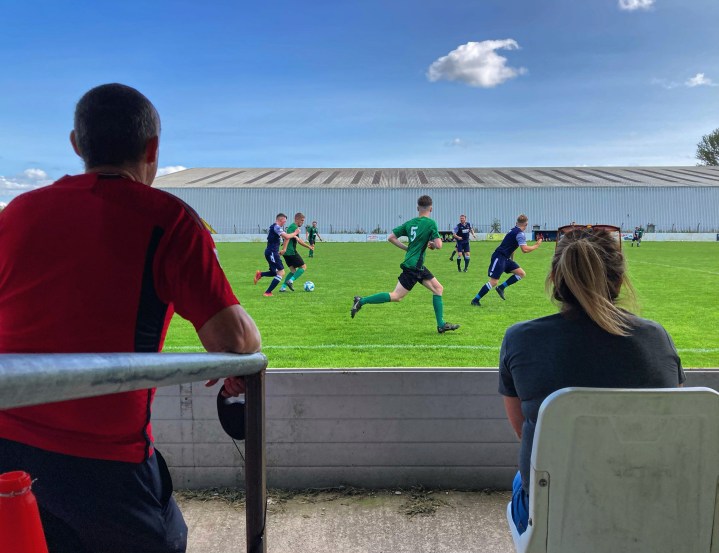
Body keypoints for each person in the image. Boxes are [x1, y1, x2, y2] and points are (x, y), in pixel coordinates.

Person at [0, 83, 262, 553]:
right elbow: (238, 340)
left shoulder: (16, 213)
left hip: (6, 449)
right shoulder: (169, 218)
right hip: (105, 463)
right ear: (153, 148)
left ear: (77, 145)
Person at [499, 228, 684, 536]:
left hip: (555, 520)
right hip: (649, 513)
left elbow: (525, 431)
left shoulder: (520, 340)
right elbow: (671, 426)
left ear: (556, 281)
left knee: (523, 479)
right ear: (619, 280)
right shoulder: (656, 337)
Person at [351, 195, 460, 334]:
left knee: (438, 288)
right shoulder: (430, 223)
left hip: (417, 266)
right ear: (431, 208)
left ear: (417, 208)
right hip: (413, 268)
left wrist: (407, 248)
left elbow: (391, 237)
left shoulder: (410, 223)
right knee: (397, 296)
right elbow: (439, 245)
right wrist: (433, 243)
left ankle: (441, 325)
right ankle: (361, 301)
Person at [471, 214, 542, 306]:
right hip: (499, 257)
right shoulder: (520, 234)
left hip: (505, 258)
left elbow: (511, 246)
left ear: (516, 223)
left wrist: (512, 260)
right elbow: (524, 250)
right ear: (526, 224)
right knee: (493, 282)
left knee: (521, 274)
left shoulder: (513, 230)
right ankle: (475, 300)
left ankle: (501, 288)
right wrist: (536, 245)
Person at [254, 213, 299, 296]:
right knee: (281, 272)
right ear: (280, 220)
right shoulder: (276, 227)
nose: (284, 223)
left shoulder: (275, 227)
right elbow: (287, 236)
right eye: (284, 221)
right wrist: (295, 233)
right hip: (272, 252)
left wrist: (283, 249)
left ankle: (260, 274)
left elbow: (286, 237)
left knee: (274, 272)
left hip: (271, 252)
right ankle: (268, 292)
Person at [279, 212, 313, 292]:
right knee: (303, 267)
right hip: (291, 251)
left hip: (286, 253)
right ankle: (290, 281)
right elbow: (298, 241)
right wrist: (308, 246)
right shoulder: (294, 227)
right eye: (302, 220)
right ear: (296, 219)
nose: (302, 222)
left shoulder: (291, 227)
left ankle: (283, 288)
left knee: (293, 271)